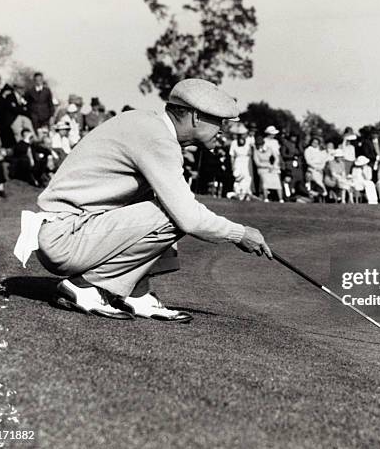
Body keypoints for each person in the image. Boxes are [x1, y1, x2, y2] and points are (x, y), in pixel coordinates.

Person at [14, 78, 271, 321]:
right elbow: (190, 218)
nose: (223, 130)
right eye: (219, 121)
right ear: (195, 116)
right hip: (65, 238)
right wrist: (239, 234)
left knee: (165, 202)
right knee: (176, 214)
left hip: (70, 232)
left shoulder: (149, 125)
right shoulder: (156, 137)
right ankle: (85, 286)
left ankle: (136, 293)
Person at [253, 135, 283, 202]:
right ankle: (266, 198)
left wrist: (274, 165)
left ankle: (281, 199)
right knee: (265, 182)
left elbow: (276, 158)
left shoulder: (269, 148)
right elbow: (257, 163)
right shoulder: (256, 151)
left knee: (277, 181)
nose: (259, 146)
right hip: (262, 168)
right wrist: (266, 166)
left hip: (271, 167)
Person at [229, 124, 253, 201]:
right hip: (238, 162)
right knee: (238, 177)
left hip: (246, 162)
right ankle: (238, 193)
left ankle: (246, 193)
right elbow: (232, 156)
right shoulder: (234, 143)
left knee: (247, 178)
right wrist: (232, 166)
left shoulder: (249, 141)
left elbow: (252, 152)